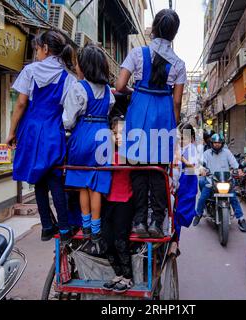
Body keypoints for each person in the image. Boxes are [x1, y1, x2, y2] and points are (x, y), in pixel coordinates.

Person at [116, 9, 187, 238]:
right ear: (174, 33)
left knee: (137, 169)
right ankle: (156, 222)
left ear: (154, 28)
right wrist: (172, 126)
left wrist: (136, 91)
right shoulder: (178, 63)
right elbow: (177, 101)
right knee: (158, 172)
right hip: (164, 114)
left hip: (139, 112)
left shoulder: (138, 53)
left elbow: (119, 86)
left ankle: (138, 221)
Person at [5, 30, 77, 245]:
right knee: (55, 178)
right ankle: (64, 227)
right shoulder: (68, 78)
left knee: (38, 178)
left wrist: (11, 132)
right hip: (53, 130)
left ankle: (46, 225)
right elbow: (68, 112)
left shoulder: (30, 71)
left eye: (36, 49)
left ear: (45, 48)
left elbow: (20, 103)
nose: (36, 53)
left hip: (31, 129)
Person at [64, 44, 115, 247]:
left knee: (83, 184)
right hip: (103, 136)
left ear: (84, 66)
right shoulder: (108, 92)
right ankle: (96, 229)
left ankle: (85, 226)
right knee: (96, 186)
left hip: (83, 135)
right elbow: (109, 111)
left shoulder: (78, 87)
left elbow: (68, 121)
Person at [102, 117, 135, 293]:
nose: (118, 136)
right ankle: (118, 274)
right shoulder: (106, 152)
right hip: (108, 201)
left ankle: (128, 277)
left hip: (125, 202)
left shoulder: (132, 153)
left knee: (120, 241)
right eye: (115, 133)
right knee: (107, 240)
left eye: (122, 132)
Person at [193, 134, 246, 232]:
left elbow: (235, 164)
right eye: (215, 143)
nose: (217, 144)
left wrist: (239, 170)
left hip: (225, 181)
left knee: (234, 198)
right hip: (211, 180)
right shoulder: (206, 153)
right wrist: (202, 170)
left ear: (222, 144)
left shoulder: (227, 153)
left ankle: (241, 219)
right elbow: (200, 164)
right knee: (203, 197)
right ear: (212, 143)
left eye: (219, 143)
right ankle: (198, 214)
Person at [171, 123, 198, 252]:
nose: (182, 140)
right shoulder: (181, 148)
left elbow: (192, 167)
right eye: (181, 138)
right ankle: (174, 242)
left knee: (178, 214)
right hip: (180, 183)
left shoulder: (192, 149)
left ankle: (175, 243)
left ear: (192, 138)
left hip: (187, 185)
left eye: (185, 138)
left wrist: (179, 157)